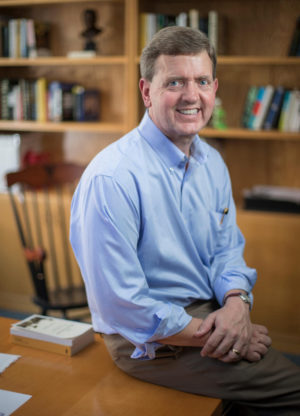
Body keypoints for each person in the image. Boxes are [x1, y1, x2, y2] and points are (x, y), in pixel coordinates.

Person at [70, 26, 300, 415]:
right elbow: (122, 303)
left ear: (214, 88)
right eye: (174, 81)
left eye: (202, 80)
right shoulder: (112, 178)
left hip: (209, 312)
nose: (192, 95)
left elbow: (227, 251)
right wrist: (225, 333)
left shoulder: (212, 162)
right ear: (147, 91)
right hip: (146, 340)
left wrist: (237, 304)